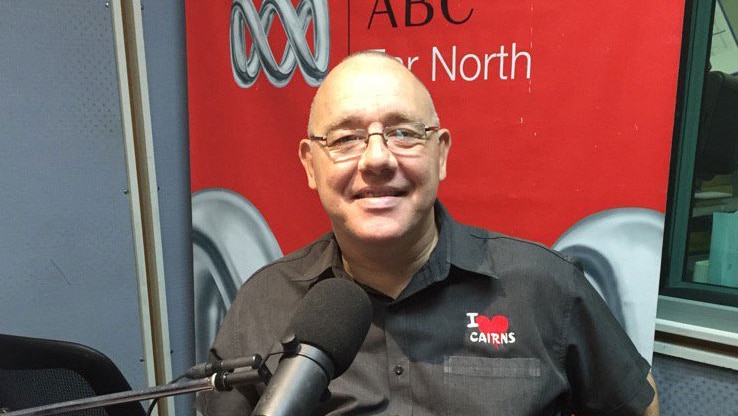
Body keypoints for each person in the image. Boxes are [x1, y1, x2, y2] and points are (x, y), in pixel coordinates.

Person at [197, 51, 660, 415]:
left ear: (439, 154)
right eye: (345, 139)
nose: (377, 159)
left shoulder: (545, 287)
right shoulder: (262, 304)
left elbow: (636, 405)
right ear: (310, 165)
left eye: (402, 133)